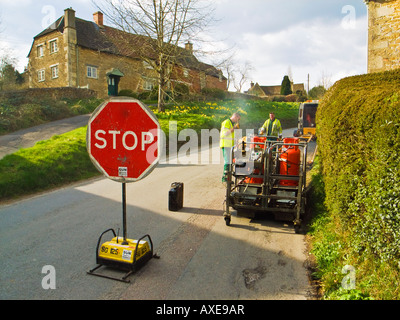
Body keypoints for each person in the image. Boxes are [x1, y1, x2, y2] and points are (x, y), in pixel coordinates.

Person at [220, 112, 241, 182]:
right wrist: (234, 128)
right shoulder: (226, 122)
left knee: (230, 162)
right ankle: (225, 178)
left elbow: (233, 135)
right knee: (227, 161)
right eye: (238, 119)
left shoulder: (231, 124)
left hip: (230, 146)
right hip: (226, 145)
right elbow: (225, 133)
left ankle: (228, 179)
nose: (238, 121)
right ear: (235, 116)